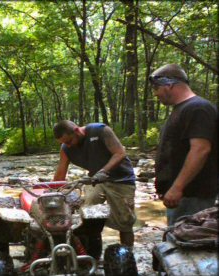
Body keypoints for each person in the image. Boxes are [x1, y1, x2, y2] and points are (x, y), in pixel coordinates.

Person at [149, 64, 218, 226]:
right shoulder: (182, 109)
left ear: (169, 85)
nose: (155, 94)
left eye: (157, 88)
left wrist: (177, 187)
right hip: (183, 197)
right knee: (176, 241)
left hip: (193, 195)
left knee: (186, 244)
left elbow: (200, 149)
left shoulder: (198, 108)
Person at [53, 120, 136, 252]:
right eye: (64, 143)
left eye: (69, 141)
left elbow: (120, 153)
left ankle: (128, 252)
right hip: (95, 181)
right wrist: (52, 191)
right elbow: (61, 170)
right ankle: (91, 252)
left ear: (76, 130)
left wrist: (103, 172)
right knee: (87, 215)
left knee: (124, 220)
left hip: (121, 179)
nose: (67, 145)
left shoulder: (100, 131)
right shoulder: (66, 148)